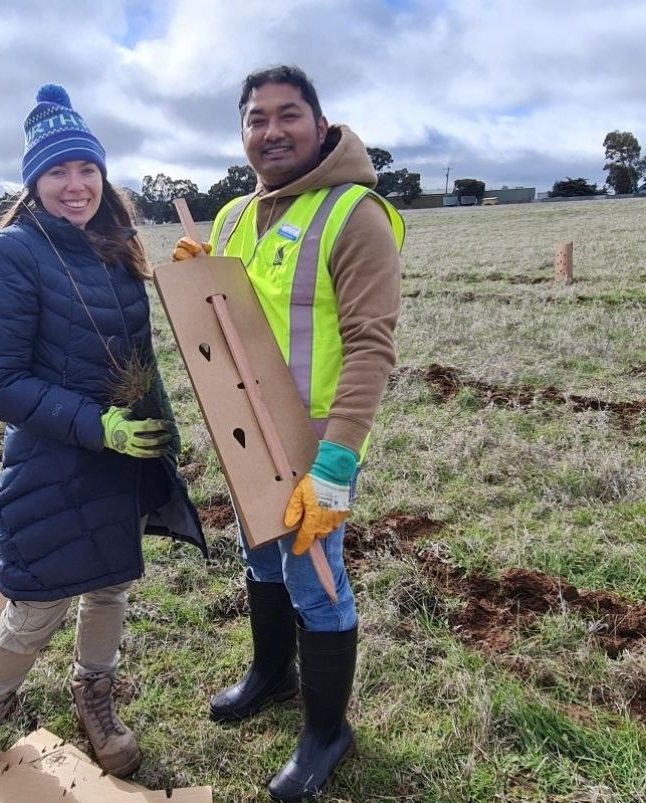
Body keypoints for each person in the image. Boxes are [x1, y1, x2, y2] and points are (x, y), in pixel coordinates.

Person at [0, 83, 206, 794]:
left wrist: (196, 275)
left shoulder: (117, 248)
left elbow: (138, 353)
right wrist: (96, 426)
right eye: (58, 172)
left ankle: (95, 697)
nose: (75, 184)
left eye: (86, 169)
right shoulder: (9, 258)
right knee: (36, 602)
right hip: (56, 459)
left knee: (110, 584)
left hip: (123, 456)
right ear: (34, 181)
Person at [171, 64, 403, 802]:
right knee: (262, 558)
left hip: (314, 445)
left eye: (288, 114)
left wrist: (335, 465)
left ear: (320, 122)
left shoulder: (354, 214)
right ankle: (273, 674)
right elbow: (238, 317)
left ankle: (327, 729)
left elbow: (371, 346)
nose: (271, 130)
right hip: (248, 434)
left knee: (317, 580)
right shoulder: (236, 215)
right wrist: (200, 276)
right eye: (255, 118)